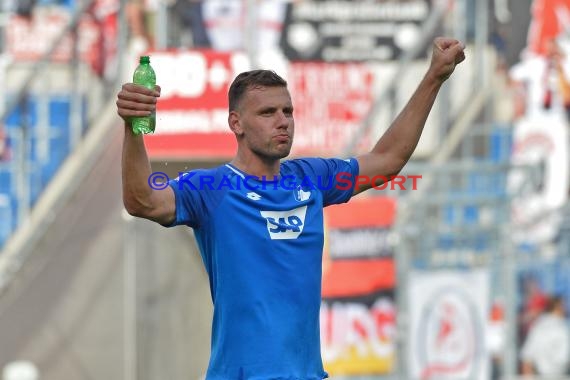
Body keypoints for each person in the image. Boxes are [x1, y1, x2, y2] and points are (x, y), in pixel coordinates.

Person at [116, 36, 465, 379]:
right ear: (235, 123)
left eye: (288, 111)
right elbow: (141, 200)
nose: (283, 120)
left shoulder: (311, 179)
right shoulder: (212, 189)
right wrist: (134, 127)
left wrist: (433, 76)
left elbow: (387, 159)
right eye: (268, 112)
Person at [520, 295, 570, 376]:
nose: (566, 309)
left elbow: (527, 357)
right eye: (564, 306)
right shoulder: (561, 329)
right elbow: (566, 357)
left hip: (542, 375)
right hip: (559, 375)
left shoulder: (538, 326)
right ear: (558, 307)